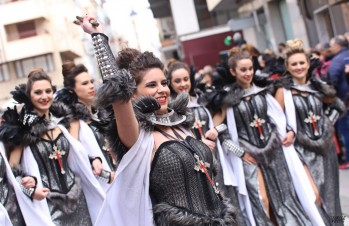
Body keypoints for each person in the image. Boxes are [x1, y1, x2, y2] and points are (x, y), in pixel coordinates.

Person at [77, 15, 236, 226]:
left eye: (163, 82)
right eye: (152, 85)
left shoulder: (179, 123)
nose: (162, 89)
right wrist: (98, 37)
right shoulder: (138, 137)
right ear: (133, 93)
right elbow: (118, 92)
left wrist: (201, 148)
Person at [213, 47, 313, 225]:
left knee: (285, 197)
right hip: (247, 155)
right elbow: (218, 129)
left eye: (250, 68)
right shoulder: (228, 99)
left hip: (274, 150)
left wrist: (291, 131)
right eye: (243, 70)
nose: (248, 73)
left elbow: (280, 117)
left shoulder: (264, 90)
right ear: (232, 71)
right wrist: (240, 153)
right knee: (261, 200)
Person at [0, 69, 105, 225]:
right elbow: (13, 173)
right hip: (49, 206)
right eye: (38, 92)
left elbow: (76, 156)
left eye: (48, 91)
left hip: (78, 200)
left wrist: (94, 160)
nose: (44, 96)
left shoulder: (62, 125)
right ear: (29, 96)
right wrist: (30, 189)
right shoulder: (23, 131)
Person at [166, 61, 248, 226]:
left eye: (185, 79)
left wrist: (217, 131)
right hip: (195, 168)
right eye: (177, 81)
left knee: (229, 205)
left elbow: (222, 124)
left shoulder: (202, 100)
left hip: (216, 161)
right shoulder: (170, 111)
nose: (183, 84)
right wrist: (198, 144)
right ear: (170, 83)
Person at [274, 39, 345, 225]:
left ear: (308, 64)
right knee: (313, 196)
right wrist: (288, 131)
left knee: (330, 197)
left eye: (302, 63)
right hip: (299, 150)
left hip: (325, 150)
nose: (299, 67)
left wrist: (327, 125)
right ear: (287, 67)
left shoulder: (317, 86)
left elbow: (338, 106)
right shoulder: (283, 91)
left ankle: (336, 223)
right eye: (294, 64)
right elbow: (275, 121)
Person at [55, 61, 116, 174]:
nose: (91, 86)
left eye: (91, 82)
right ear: (72, 90)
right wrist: (105, 176)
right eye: (85, 83)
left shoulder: (100, 114)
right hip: (100, 183)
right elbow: (76, 157)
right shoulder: (74, 121)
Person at [328, 35, 349, 169]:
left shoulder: (337, 60)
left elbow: (332, 81)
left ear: (337, 46)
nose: (330, 48)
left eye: (331, 46)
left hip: (344, 101)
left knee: (345, 130)